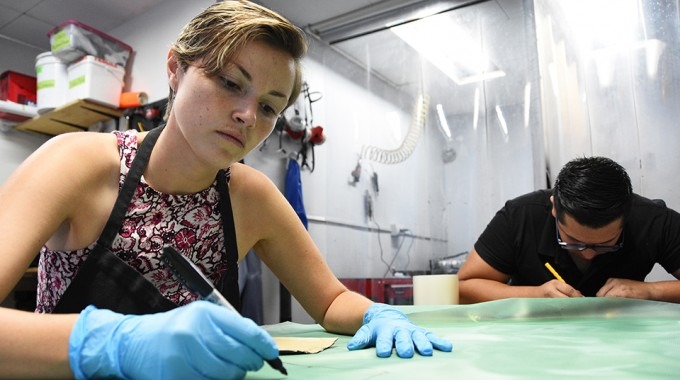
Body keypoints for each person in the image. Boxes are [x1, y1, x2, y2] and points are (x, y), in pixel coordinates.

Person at [0, 1, 452, 378]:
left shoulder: (250, 197)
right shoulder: (75, 163)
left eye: (270, 106)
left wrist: (378, 313)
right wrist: (113, 345)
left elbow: (331, 300)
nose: (247, 115)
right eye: (231, 83)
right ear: (176, 68)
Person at [458, 156, 680, 304]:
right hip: (532, 336)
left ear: (627, 216)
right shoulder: (520, 216)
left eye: (605, 244)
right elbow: (464, 286)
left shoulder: (654, 220)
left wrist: (651, 292)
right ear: (554, 208)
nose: (587, 253)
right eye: (573, 241)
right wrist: (534, 295)